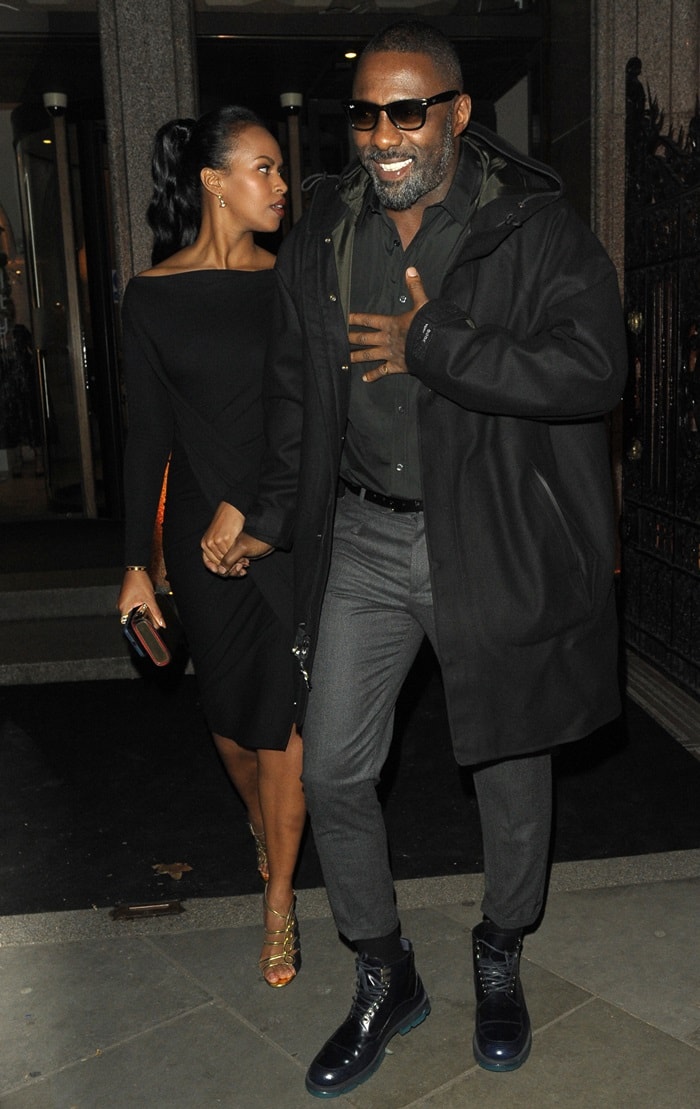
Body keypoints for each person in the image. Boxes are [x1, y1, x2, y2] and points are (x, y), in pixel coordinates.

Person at [221, 20, 628, 1095]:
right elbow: (298, 397)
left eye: (407, 111)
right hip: (361, 530)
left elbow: (593, 368)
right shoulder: (322, 232)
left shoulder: (528, 227)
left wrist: (434, 344)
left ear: (455, 114)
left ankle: (499, 945)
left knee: (508, 756)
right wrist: (269, 514)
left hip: (483, 528)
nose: (383, 135)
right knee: (339, 766)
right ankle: (383, 965)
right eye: (365, 114)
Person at [117, 106, 305, 988]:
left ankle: (280, 906)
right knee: (233, 725)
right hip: (199, 544)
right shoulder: (152, 298)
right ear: (213, 183)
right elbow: (146, 438)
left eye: (280, 170)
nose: (280, 186)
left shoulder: (293, 282)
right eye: (263, 169)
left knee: (288, 722)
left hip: (288, 528)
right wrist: (135, 560)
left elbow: (307, 416)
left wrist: (257, 508)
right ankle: (264, 825)